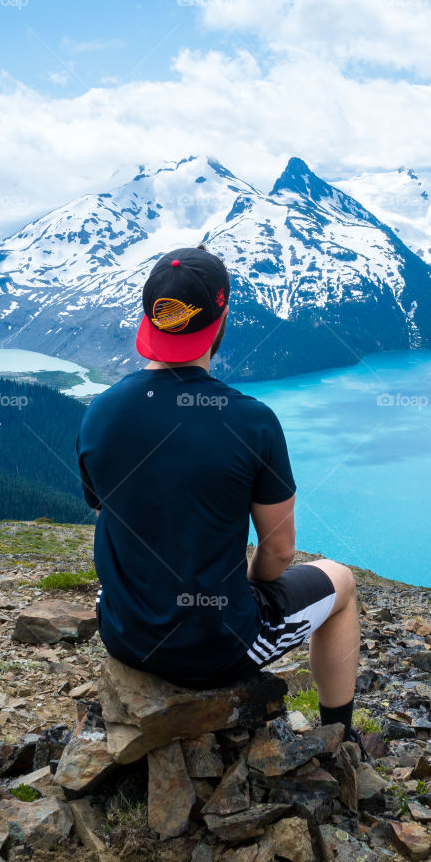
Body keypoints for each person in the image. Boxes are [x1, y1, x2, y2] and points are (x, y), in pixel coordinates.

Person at [76, 244, 362, 740]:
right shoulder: (252, 422)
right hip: (218, 648)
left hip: (124, 634)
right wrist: (250, 585)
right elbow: (279, 551)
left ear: (150, 320)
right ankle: (341, 736)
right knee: (343, 582)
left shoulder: (101, 411)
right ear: (221, 318)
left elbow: (107, 511)